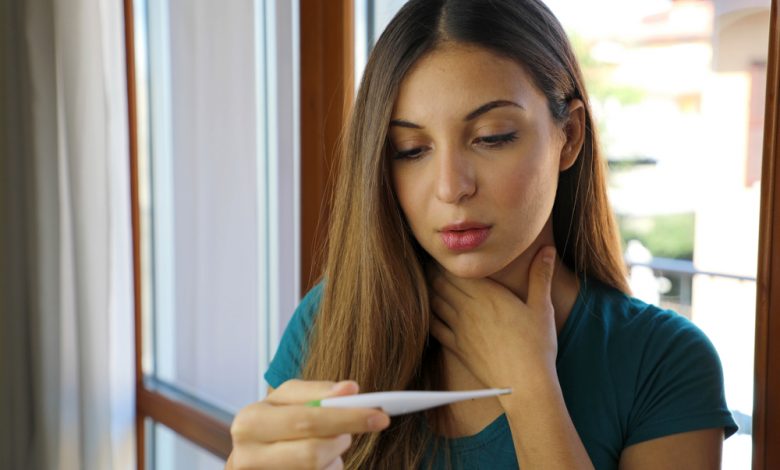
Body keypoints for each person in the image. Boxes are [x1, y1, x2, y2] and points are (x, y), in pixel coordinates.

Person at [226, 0, 738, 468]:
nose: (451, 188)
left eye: (493, 137)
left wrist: (532, 389)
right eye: (410, 149)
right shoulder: (333, 318)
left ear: (570, 136)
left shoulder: (664, 363)